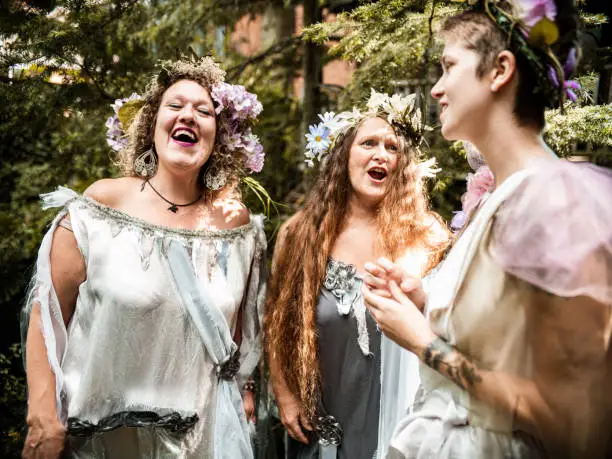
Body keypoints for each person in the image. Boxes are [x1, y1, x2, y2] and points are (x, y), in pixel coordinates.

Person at [362, 1, 612, 458]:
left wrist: (423, 340)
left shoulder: (549, 204)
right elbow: (506, 339)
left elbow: (570, 417)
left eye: (449, 66)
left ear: (500, 70)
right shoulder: (503, 199)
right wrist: (427, 299)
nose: (436, 89)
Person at [21, 57, 268, 458]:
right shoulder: (102, 205)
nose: (188, 115)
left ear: (218, 137)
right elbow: (47, 312)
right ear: (151, 125)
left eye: (204, 110)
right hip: (104, 439)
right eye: (175, 106)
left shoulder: (233, 225)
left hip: (199, 441)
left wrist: (246, 396)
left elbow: (237, 339)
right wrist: (43, 412)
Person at [264, 90, 449, 459]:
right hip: (321, 419)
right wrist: (285, 396)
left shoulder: (427, 235)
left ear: (403, 165)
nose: (381, 154)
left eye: (392, 148)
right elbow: (276, 322)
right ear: (343, 155)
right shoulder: (301, 234)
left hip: (398, 416)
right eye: (368, 143)